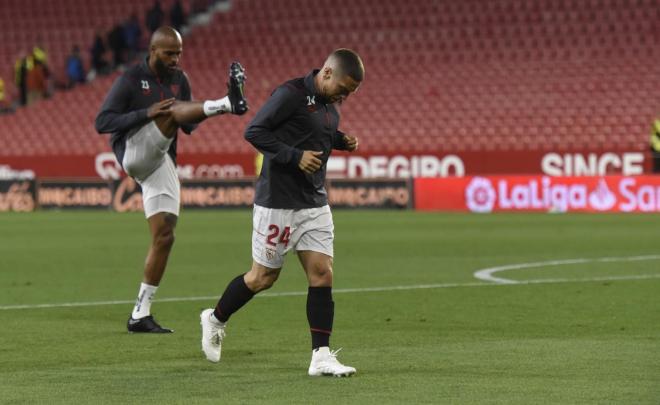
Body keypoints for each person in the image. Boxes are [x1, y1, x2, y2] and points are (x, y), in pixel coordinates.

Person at [199, 48, 364, 377]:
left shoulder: (332, 106)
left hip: (314, 201)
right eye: (344, 88)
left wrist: (339, 140)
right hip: (277, 201)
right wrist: (295, 157)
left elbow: (318, 132)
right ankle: (214, 319)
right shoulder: (290, 94)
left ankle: (321, 356)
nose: (345, 96)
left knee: (322, 273)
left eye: (350, 93)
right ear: (327, 73)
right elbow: (255, 131)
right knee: (263, 278)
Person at [95, 26, 248, 333]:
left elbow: (188, 127)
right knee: (168, 111)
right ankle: (227, 104)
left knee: (165, 236)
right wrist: (146, 113)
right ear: (153, 51)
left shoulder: (180, 79)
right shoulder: (129, 79)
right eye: (169, 53)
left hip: (161, 158)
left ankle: (140, 314)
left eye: (179, 52)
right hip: (134, 153)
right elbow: (103, 122)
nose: (176, 58)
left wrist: (188, 114)